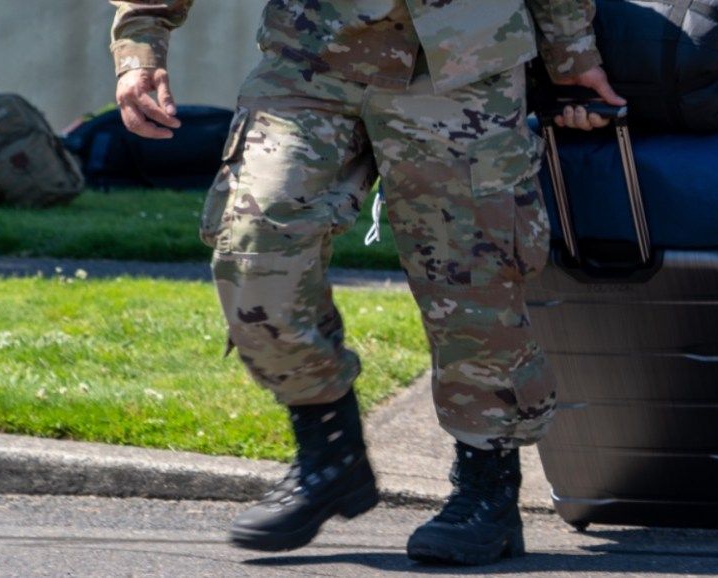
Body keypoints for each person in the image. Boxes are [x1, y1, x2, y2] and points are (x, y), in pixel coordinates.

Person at [109, 0, 623, 565]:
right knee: (255, 246)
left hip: (463, 61)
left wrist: (572, 55)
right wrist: (140, 47)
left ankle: (487, 488)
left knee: (473, 281)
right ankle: (328, 452)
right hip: (313, 56)